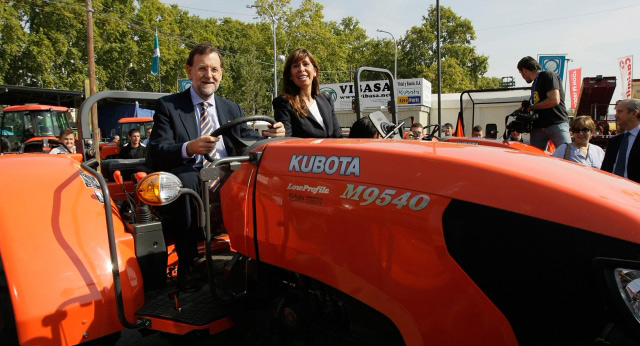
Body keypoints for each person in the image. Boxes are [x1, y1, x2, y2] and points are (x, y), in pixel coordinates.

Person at [147, 43, 285, 289]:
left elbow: (247, 141)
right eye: (202, 69)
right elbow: (156, 151)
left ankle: (262, 255)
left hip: (227, 173)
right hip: (190, 174)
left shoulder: (230, 107)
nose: (208, 75)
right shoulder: (169, 106)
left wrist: (270, 136)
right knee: (189, 181)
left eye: (214, 69)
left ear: (221, 73)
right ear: (190, 71)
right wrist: (189, 148)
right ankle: (190, 263)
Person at [273, 49, 342, 138]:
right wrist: (279, 133)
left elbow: (338, 136)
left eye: (306, 64)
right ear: (290, 74)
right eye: (295, 66)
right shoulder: (283, 103)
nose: (301, 69)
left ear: (315, 71)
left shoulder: (326, 99)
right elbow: (286, 138)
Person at [517, 56, 571, 151]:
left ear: (525, 70)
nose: (522, 76)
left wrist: (532, 107)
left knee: (567, 155)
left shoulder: (548, 75)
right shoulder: (535, 83)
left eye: (521, 73)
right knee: (535, 159)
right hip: (539, 126)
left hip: (556, 123)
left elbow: (554, 100)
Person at [601, 98, 640, 183]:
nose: (616, 116)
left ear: (634, 113)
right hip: (612, 190)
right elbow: (605, 169)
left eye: (620, 112)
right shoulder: (614, 141)